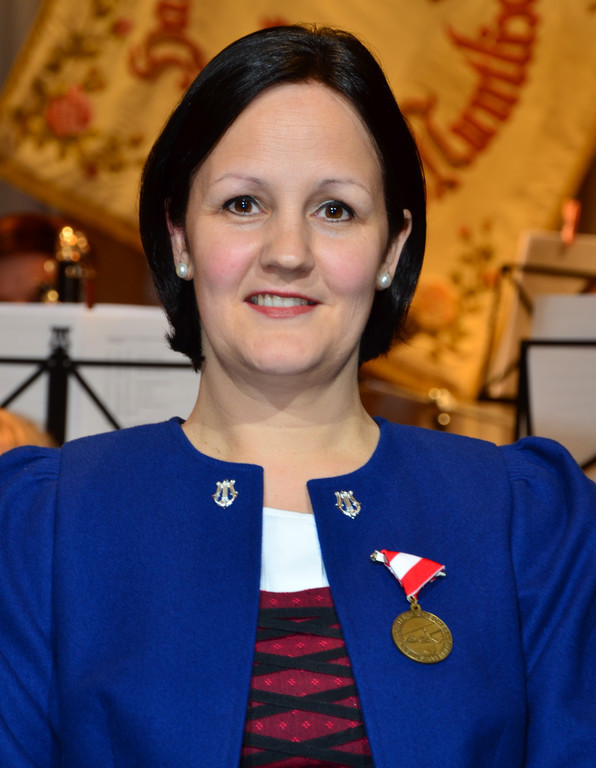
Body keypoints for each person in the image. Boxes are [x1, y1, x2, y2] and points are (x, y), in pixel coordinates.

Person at [0, 24, 594, 768]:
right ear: (180, 238)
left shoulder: (528, 522)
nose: (288, 252)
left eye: (335, 209)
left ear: (392, 248)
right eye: (243, 204)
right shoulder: (42, 526)